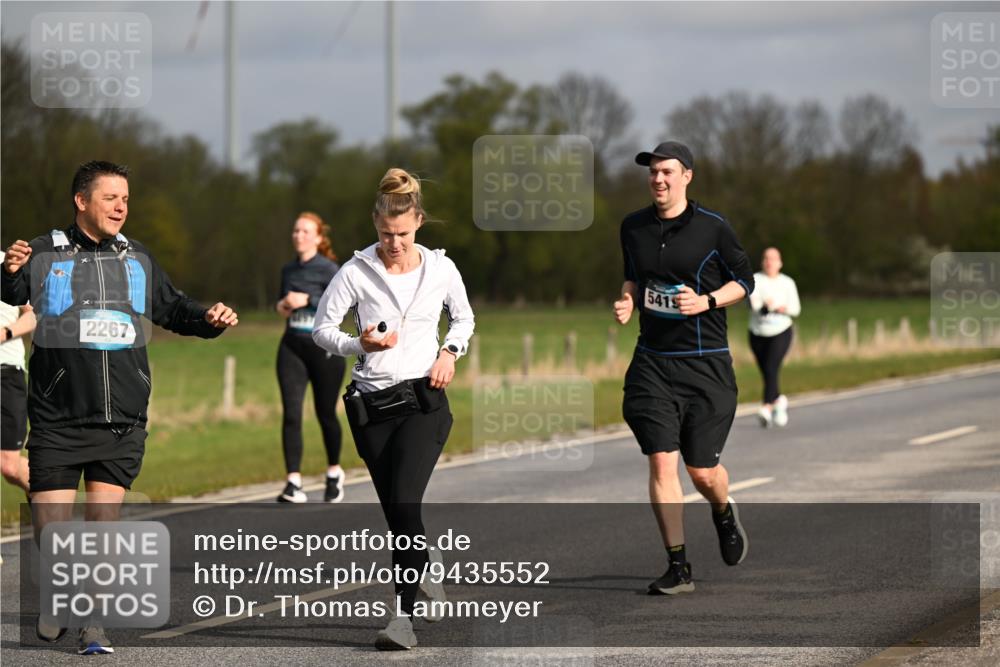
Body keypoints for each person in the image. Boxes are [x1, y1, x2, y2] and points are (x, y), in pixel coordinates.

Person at [1, 160, 238, 654]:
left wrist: (210, 318)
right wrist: (8, 272)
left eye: (125, 198)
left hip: (122, 417)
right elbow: (14, 293)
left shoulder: (138, 258)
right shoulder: (45, 251)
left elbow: (173, 308)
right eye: (110, 197)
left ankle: (93, 626)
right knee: (52, 534)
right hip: (57, 418)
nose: (121, 206)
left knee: (102, 529)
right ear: (81, 201)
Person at [312, 167, 474, 650]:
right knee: (399, 519)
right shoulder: (355, 272)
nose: (394, 243)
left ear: (418, 222)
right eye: (386, 234)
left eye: (402, 233)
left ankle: (401, 621)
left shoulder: (441, 269)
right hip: (372, 408)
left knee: (404, 503)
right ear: (375, 224)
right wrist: (356, 342)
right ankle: (427, 561)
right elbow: (322, 329)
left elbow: (464, 318)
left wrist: (449, 353)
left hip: (424, 403)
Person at [614, 141, 755, 597]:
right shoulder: (632, 227)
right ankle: (678, 567)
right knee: (660, 460)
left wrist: (707, 301)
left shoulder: (713, 227)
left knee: (701, 473)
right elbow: (634, 275)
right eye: (653, 172)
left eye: (667, 171)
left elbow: (745, 281)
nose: (658, 179)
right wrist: (628, 299)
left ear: (686, 176)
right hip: (653, 362)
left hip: (706, 364)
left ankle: (722, 510)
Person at [275, 212, 346, 503]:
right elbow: (281, 305)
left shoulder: (331, 270)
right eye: (295, 231)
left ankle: (334, 472)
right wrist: (284, 305)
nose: (298, 235)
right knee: (292, 413)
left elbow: (342, 306)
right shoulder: (288, 270)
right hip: (292, 344)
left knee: (325, 413)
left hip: (324, 348)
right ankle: (293, 482)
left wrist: (309, 301)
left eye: (305, 231)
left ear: (318, 237)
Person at [748, 247, 801, 428]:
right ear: (762, 262)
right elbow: (754, 305)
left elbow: (796, 309)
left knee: (771, 367)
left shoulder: (787, 283)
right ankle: (779, 400)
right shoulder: (755, 279)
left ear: (780, 263)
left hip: (781, 331)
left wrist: (781, 308)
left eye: (773, 259)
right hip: (757, 333)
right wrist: (764, 305)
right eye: (766, 258)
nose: (769, 262)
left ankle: (766, 406)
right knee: (766, 371)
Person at [1, 298, 35, 495]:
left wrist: (6, 333)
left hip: (6, 371)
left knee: (10, 467)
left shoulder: (9, 267)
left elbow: (34, 315)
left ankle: (49, 496)